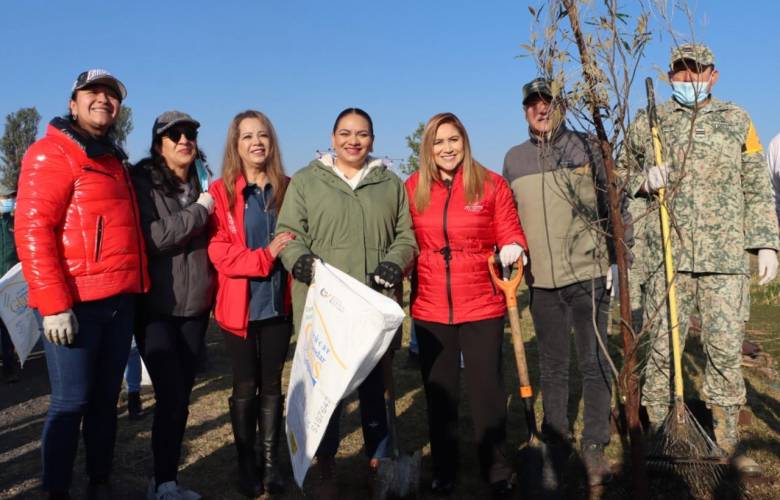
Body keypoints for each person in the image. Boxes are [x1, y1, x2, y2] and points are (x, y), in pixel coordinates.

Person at [618, 44, 779, 475]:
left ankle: (726, 443)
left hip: (724, 260)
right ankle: (662, 437)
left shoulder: (737, 120)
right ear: (671, 76)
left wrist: (766, 242)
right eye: (681, 73)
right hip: (666, 258)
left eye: (697, 72)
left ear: (714, 74)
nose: (689, 80)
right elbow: (618, 172)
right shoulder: (649, 122)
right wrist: (641, 180)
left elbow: (756, 184)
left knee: (724, 350)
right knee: (660, 353)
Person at [15, 69, 149, 500]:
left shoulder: (112, 158)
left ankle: (100, 480)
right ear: (73, 103)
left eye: (112, 95)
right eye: (93, 92)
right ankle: (55, 490)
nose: (103, 100)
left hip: (118, 300)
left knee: (104, 401)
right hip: (75, 302)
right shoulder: (50, 153)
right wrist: (53, 303)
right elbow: (32, 229)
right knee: (70, 402)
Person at [276, 107, 417, 499]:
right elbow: (288, 233)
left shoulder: (390, 184)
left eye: (362, 134)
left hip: (373, 309)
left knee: (375, 389)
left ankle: (378, 461)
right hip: (326, 310)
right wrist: (297, 260)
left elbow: (406, 235)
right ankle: (325, 465)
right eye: (345, 133)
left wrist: (394, 261)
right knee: (329, 393)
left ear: (373, 139)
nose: (353, 141)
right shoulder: (307, 181)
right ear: (332, 137)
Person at [503, 78, 631, 488]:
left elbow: (617, 205)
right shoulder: (514, 159)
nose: (541, 110)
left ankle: (594, 444)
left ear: (560, 107)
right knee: (554, 367)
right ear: (524, 110)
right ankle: (556, 439)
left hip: (589, 275)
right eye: (533, 104)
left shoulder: (588, 148)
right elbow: (508, 217)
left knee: (593, 363)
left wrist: (616, 259)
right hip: (541, 282)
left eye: (548, 103)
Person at [406, 112, 526, 497]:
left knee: (487, 390)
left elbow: (509, 226)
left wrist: (513, 245)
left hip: (481, 303)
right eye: (438, 142)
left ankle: (496, 467)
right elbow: (404, 239)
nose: (446, 148)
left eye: (453, 140)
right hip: (430, 305)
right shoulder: (413, 187)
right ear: (428, 147)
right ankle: (444, 468)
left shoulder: (489, 184)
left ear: (464, 141)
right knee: (440, 392)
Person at [208, 110, 295, 497]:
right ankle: (247, 465)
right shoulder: (220, 194)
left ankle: (272, 465)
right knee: (245, 385)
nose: (256, 142)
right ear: (236, 145)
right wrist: (266, 254)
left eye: (263, 135)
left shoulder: (290, 188)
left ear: (272, 142)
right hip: (238, 308)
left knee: (273, 383)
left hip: (279, 306)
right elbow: (220, 253)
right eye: (247, 137)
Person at [131, 111, 216, 500]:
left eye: (191, 133)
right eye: (175, 134)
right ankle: (162, 482)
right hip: (156, 308)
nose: (185, 139)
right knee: (171, 395)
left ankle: (167, 480)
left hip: (196, 307)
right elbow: (155, 238)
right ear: (159, 143)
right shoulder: (143, 183)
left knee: (181, 397)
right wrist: (200, 210)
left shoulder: (205, 180)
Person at [0, 183, 19, 382]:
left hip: (11, 284)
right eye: (5, 198)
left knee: (8, 326)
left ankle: (9, 364)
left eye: (11, 197)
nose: (9, 201)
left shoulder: (13, 222)